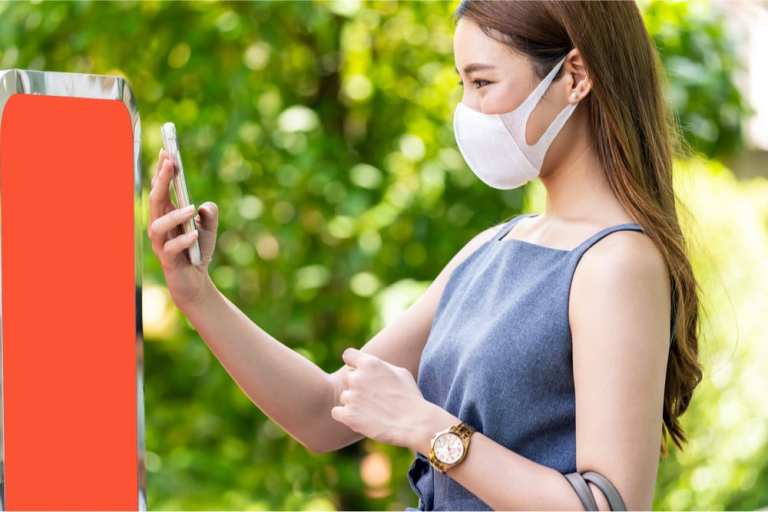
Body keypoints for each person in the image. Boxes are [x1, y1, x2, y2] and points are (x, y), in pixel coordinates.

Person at [147, 1, 703, 509]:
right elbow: (323, 413)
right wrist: (197, 294)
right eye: (462, 83)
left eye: (483, 82)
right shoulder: (493, 247)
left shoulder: (617, 263)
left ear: (574, 77)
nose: (469, 109)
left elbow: (609, 504)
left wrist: (427, 429)